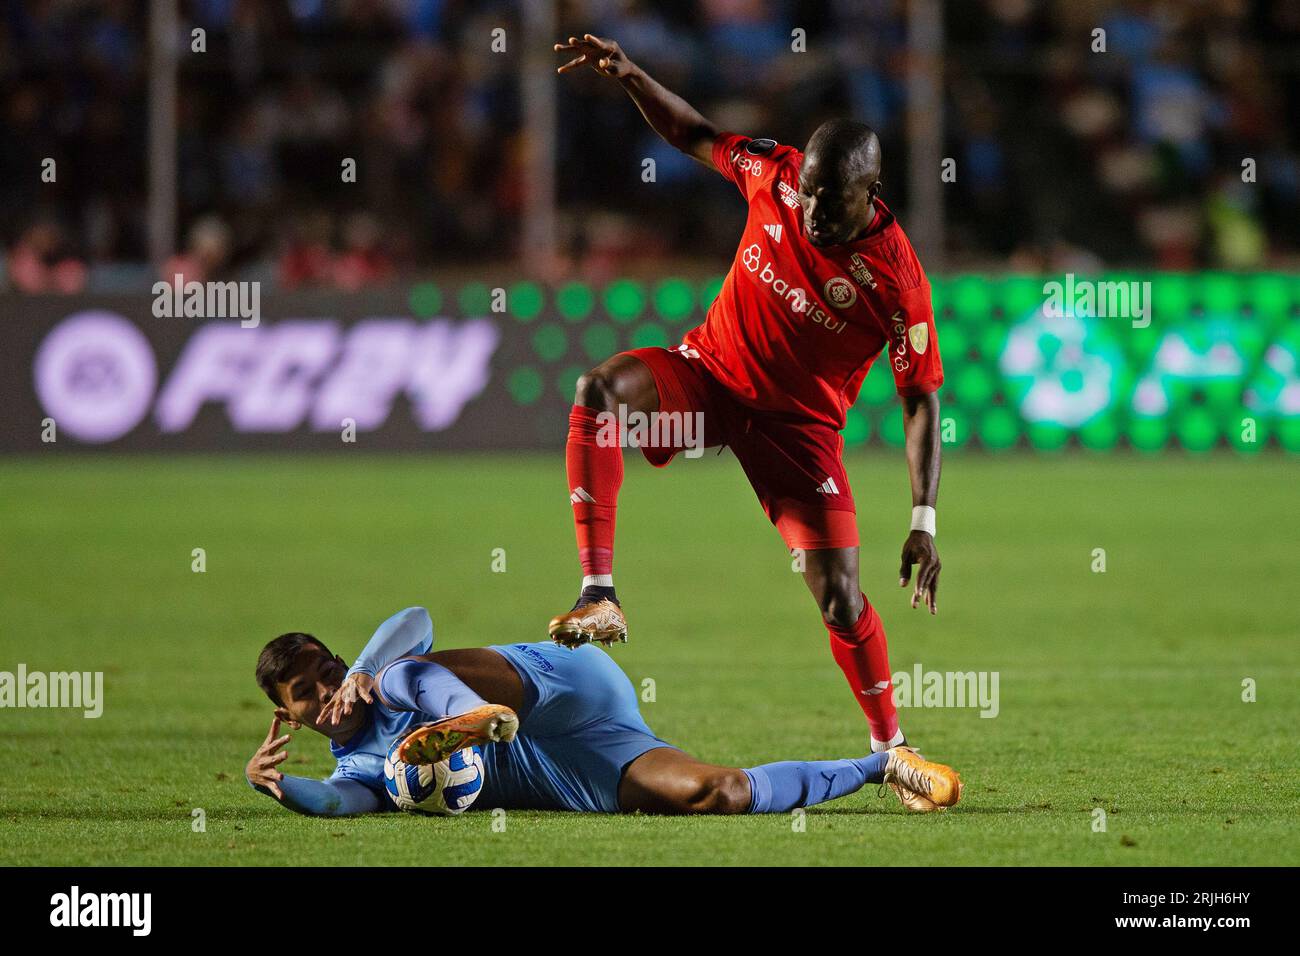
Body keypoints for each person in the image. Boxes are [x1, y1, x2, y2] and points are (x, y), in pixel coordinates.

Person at [547, 35, 945, 756]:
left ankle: (893, 750)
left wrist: (924, 518)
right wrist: (634, 76)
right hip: (708, 379)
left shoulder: (896, 281)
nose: (814, 209)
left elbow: (920, 399)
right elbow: (695, 134)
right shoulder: (778, 176)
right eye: (812, 191)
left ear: (872, 194)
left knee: (840, 598)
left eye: (834, 199)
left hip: (797, 429)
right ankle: (599, 593)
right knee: (599, 391)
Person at [245, 607, 962, 816]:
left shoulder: (376, 679)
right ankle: (883, 766)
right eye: (306, 693)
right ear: (290, 718)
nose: (328, 693)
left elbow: (415, 617)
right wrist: (277, 788)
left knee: (406, 673)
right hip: (572, 765)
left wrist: (365, 667)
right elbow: (334, 802)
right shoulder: (365, 769)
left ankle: (474, 718)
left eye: (329, 671)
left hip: (554, 685)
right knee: (720, 794)